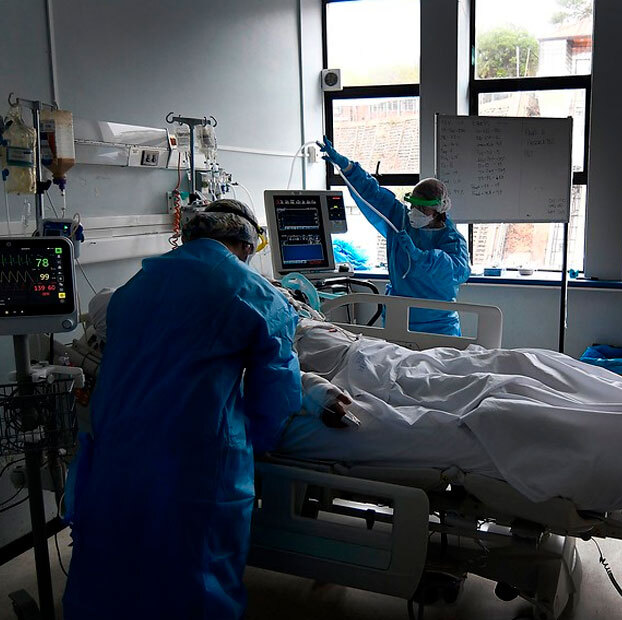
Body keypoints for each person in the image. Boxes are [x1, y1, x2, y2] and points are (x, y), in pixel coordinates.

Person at [62, 200, 346, 619]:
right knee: (194, 570)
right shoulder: (254, 293)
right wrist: (263, 442)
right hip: (192, 458)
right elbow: (275, 393)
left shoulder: (135, 287)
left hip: (117, 447)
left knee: (114, 557)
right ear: (245, 244)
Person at [319, 137, 470, 336]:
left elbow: (457, 271)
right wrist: (347, 167)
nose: (414, 211)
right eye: (413, 205)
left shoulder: (452, 240)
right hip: (398, 316)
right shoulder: (400, 222)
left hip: (439, 325)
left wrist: (422, 257)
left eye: (421, 207)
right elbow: (372, 194)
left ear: (437, 209)